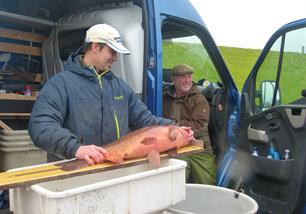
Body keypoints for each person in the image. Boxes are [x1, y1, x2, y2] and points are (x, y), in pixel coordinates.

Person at [29, 24, 193, 165]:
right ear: (95, 47)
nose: (116, 58)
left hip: (114, 168)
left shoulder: (121, 87)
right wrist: (75, 148)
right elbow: (40, 125)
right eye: (112, 51)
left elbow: (145, 120)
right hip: (75, 170)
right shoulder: (60, 84)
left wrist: (175, 127)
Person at [163, 64, 216, 185]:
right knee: (175, 182)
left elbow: (200, 124)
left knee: (206, 184)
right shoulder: (165, 99)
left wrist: (175, 128)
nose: (187, 80)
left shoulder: (199, 99)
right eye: (183, 77)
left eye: (189, 77)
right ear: (174, 80)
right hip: (175, 147)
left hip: (198, 148)